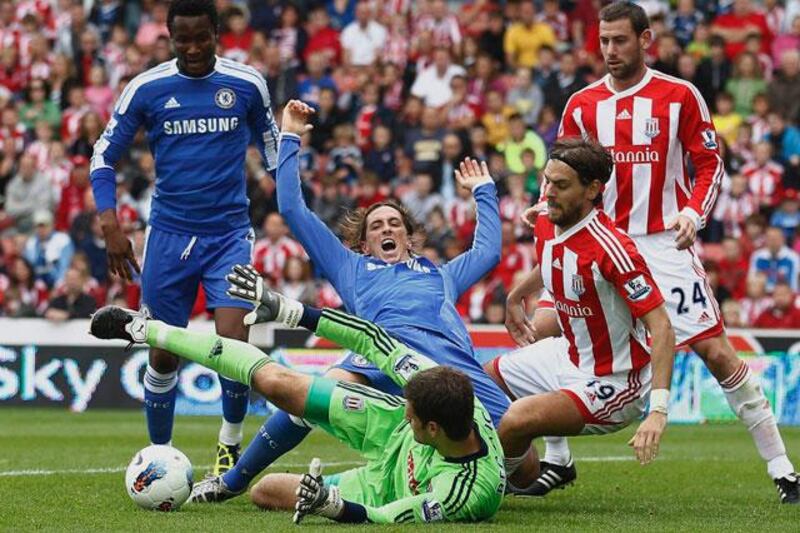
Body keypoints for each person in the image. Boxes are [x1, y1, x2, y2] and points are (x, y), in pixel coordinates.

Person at [514, 1, 799, 503]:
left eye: (620, 40)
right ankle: (558, 460)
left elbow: (709, 164)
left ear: (646, 41)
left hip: (661, 245)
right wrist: (542, 209)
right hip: (592, 241)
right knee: (542, 331)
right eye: (603, 41)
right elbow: (557, 175)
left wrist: (693, 212)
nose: (610, 50)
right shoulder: (582, 103)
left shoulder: (679, 96)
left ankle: (782, 468)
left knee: (715, 352)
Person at [190, 99, 509, 503]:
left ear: (410, 237)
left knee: (521, 449)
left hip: (445, 363)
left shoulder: (439, 275)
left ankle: (532, 468)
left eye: (395, 222)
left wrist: (484, 191)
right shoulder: (350, 267)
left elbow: (488, 253)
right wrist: (289, 136)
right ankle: (232, 480)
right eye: (377, 225)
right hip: (378, 355)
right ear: (364, 242)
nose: (387, 227)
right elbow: (293, 208)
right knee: (315, 392)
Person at [88, 274, 505, 524]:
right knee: (279, 384)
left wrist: (332, 506)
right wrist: (290, 310)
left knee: (266, 492)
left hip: (384, 491)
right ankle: (148, 331)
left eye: (413, 414)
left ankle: (241, 483)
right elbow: (372, 338)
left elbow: (383, 517)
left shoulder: (465, 494)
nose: (408, 412)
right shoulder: (431, 398)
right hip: (386, 427)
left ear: (432, 429)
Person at [88, 0, 280, 476]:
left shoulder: (247, 84)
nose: (193, 49)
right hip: (169, 236)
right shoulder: (147, 88)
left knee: (233, 341)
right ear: (170, 38)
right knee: (163, 348)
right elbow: (103, 156)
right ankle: (159, 455)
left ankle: (229, 445)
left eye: (202, 38)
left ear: (217, 33)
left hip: (229, 234)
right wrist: (110, 222)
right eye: (183, 40)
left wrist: (295, 200)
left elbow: (277, 151)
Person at [486, 138, 675, 494]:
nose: (549, 193)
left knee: (517, 419)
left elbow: (662, 326)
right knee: (478, 382)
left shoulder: (613, 250)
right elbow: (554, 261)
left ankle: (493, 485)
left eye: (561, 185)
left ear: (592, 190)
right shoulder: (549, 218)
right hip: (566, 355)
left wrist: (658, 411)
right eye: (547, 182)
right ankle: (529, 467)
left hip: (616, 380)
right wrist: (517, 294)